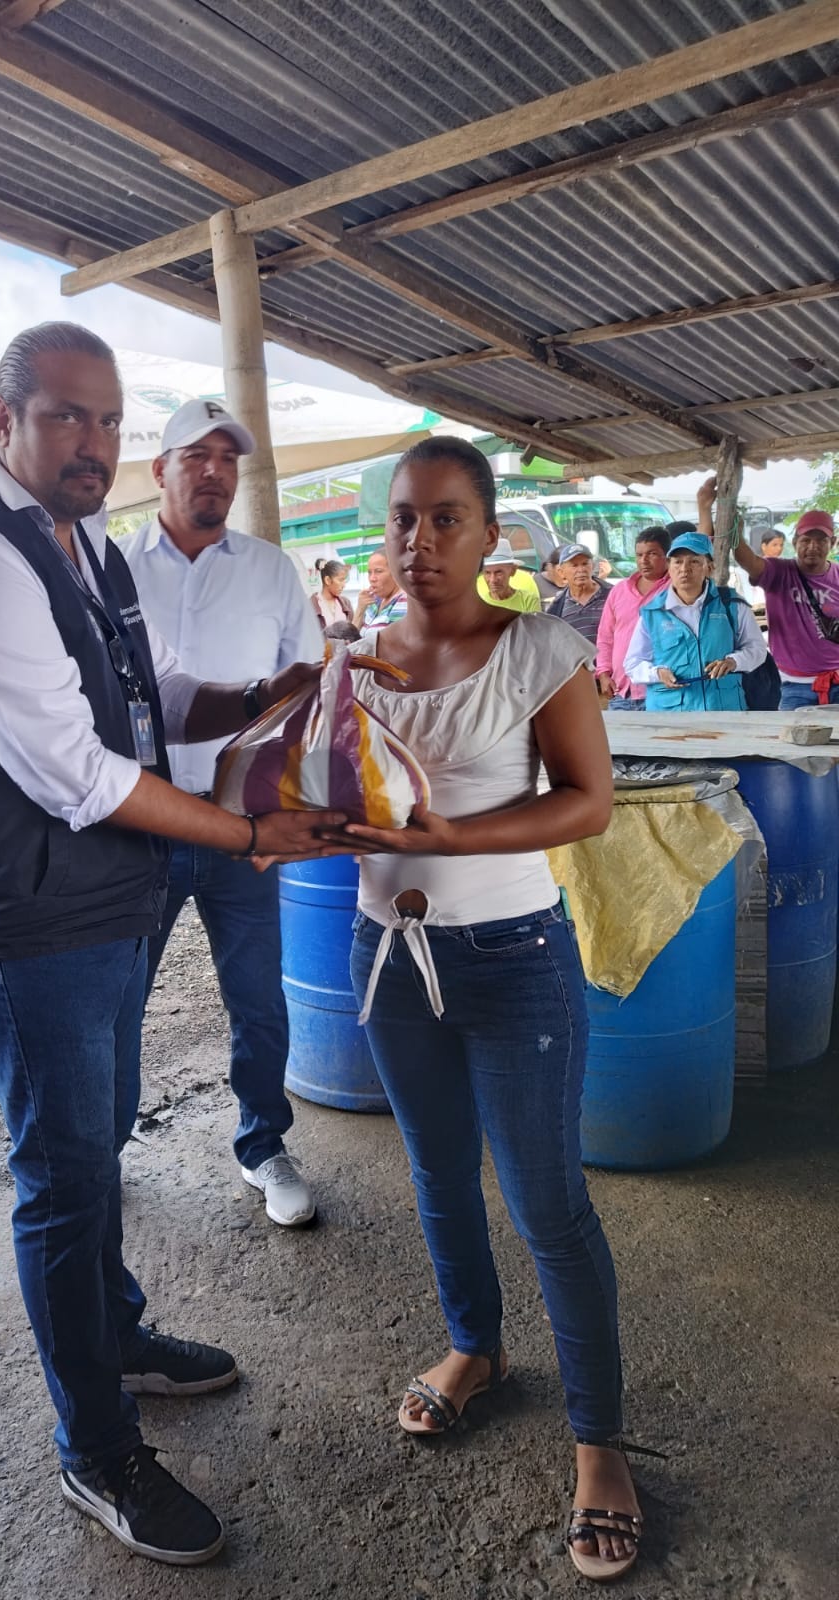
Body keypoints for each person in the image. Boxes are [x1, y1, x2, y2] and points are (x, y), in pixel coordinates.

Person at [0, 323, 347, 1567]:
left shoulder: (80, 544)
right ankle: (94, 1447)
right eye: (65, 416)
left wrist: (272, 697)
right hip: (24, 927)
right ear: (3, 422)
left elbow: (158, 691)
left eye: (107, 419)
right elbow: (76, 770)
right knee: (64, 1180)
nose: (92, 442)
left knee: (93, 1149)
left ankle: (118, 1337)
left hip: (99, 907)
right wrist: (247, 832)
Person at [328, 435, 639, 1583]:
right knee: (438, 1172)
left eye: (447, 517)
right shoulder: (354, 661)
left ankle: (600, 1444)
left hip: (513, 961)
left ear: (492, 533)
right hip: (385, 955)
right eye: (404, 518)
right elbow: (332, 795)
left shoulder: (540, 649)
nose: (421, 540)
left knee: (549, 1202)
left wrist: (451, 836)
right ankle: (475, 1346)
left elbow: (590, 802)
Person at [119, 400, 321, 1227]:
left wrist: (287, 808)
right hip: (140, 824)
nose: (213, 472)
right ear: (159, 470)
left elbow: (304, 695)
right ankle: (101, 1148)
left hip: (244, 823)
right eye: (195, 456)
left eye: (227, 459)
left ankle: (263, 1144)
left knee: (259, 998)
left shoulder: (271, 569)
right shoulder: (112, 567)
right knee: (118, 998)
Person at [704, 479, 839, 707]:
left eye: (821, 540)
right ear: (795, 542)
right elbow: (749, 561)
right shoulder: (779, 571)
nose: (813, 547)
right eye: (806, 540)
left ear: (832, 542)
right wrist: (736, 534)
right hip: (792, 685)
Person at [624, 532, 767, 711]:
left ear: (709, 567)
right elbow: (633, 663)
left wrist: (733, 662)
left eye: (694, 561)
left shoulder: (731, 605)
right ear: (669, 567)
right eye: (677, 562)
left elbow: (757, 649)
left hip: (723, 709)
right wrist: (657, 673)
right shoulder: (652, 612)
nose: (684, 569)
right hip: (670, 713)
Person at [594, 526, 671, 709]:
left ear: (667, 556)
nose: (644, 560)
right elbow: (605, 637)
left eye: (652, 554)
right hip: (621, 690)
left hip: (660, 690)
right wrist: (603, 673)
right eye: (639, 555)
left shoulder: (674, 590)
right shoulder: (619, 590)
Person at [549, 543, 610, 646]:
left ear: (592, 566)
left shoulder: (612, 594)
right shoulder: (557, 607)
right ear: (561, 572)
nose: (581, 570)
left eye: (585, 564)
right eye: (574, 565)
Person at [353, 546, 407, 629]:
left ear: (395, 572)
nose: (372, 578)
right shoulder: (373, 601)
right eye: (369, 572)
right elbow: (351, 634)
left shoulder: (403, 602)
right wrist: (360, 609)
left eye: (378, 571)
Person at [479, 538, 540, 613]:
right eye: (487, 573)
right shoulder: (480, 603)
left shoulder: (528, 600)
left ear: (513, 570)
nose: (493, 580)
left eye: (498, 572)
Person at [311, 557, 352, 630]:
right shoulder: (311, 605)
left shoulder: (346, 603)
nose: (344, 585)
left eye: (344, 580)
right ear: (328, 580)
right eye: (341, 580)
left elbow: (354, 631)